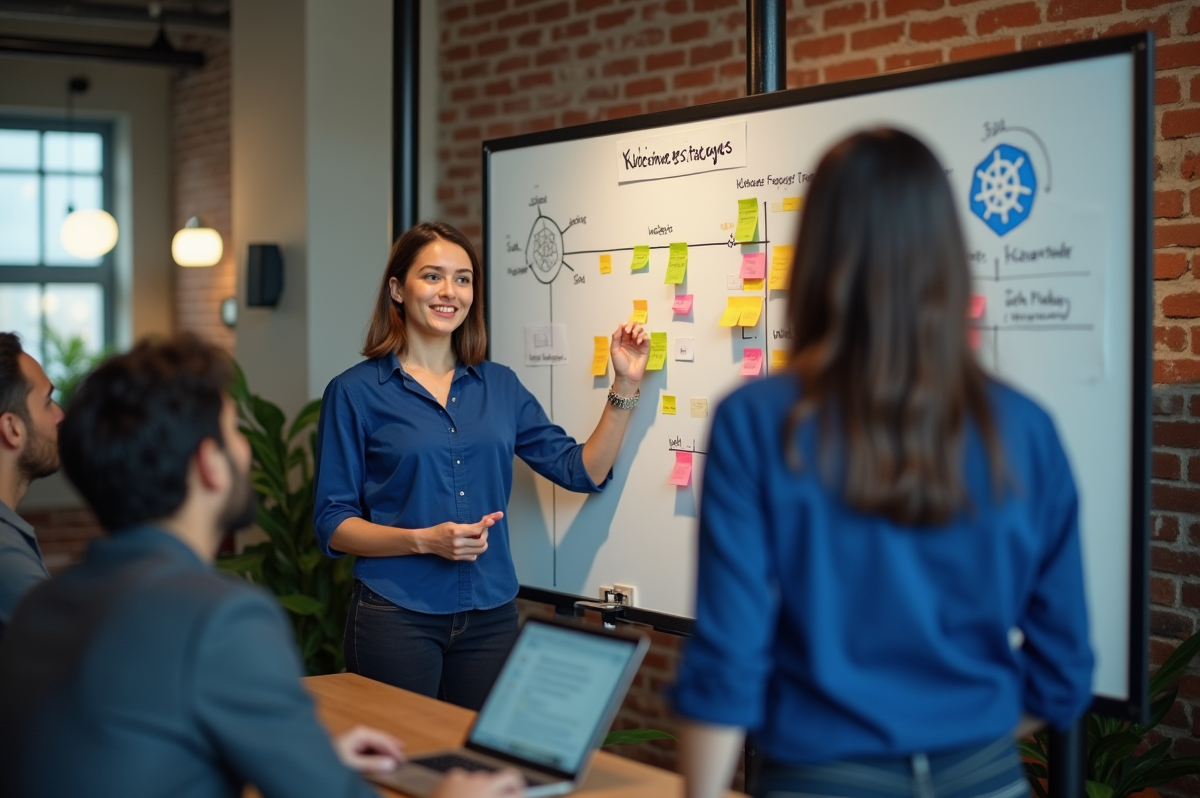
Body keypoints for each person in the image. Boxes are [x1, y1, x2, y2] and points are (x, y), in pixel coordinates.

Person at [672, 129, 1094, 798]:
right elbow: (1064, 671)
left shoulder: (756, 419)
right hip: (984, 779)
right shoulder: (1025, 428)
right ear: (946, 253)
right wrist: (956, 738)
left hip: (819, 780)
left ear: (816, 252)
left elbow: (729, 658)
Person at [0, 335, 523, 798]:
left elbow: (140, 743)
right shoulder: (219, 618)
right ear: (209, 464)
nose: (248, 452)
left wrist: (304, 756)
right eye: (234, 432)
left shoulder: (45, 602)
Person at [314, 221, 649, 710]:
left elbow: (581, 471)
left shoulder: (500, 386)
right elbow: (333, 522)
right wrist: (423, 540)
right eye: (432, 276)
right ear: (398, 289)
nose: (449, 291)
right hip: (396, 614)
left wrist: (626, 383)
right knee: (403, 754)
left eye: (463, 279)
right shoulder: (354, 393)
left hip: (491, 616)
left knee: (481, 755)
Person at [0, 332, 63, 639]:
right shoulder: (4, 555)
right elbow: (74, 655)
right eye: (47, 402)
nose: (60, 414)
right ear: (12, 428)